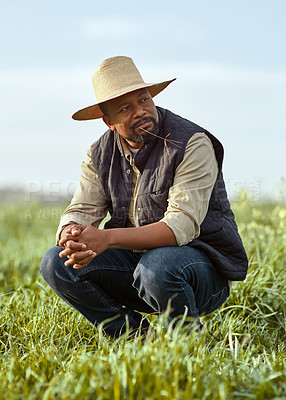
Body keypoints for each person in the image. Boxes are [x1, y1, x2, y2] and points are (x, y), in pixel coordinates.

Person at [40, 56, 248, 338]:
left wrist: (106, 238)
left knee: (158, 267)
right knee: (56, 262)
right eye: (125, 108)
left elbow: (180, 227)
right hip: (137, 270)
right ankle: (135, 339)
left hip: (200, 272)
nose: (140, 111)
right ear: (108, 121)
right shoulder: (98, 154)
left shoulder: (192, 142)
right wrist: (71, 234)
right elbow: (82, 208)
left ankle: (189, 345)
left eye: (144, 100)